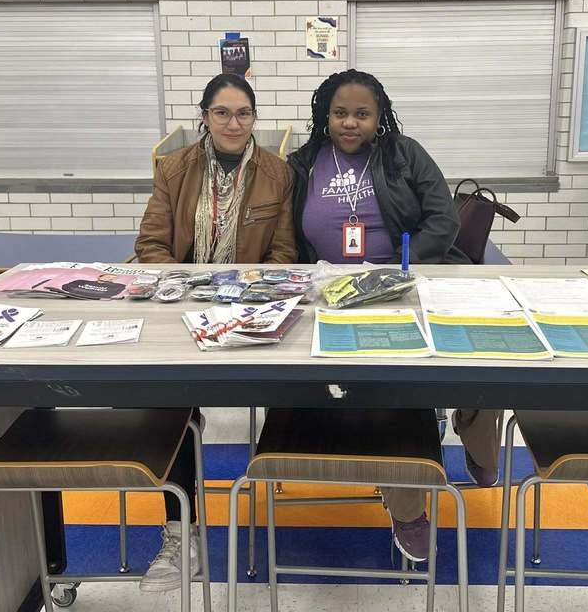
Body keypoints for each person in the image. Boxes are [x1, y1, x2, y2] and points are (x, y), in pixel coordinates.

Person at [288, 68, 501, 563]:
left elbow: (442, 219)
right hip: (332, 294)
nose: (349, 123)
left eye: (362, 114)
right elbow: (286, 230)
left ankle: (477, 439)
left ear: (378, 117)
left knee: (486, 356)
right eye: (340, 113)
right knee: (386, 387)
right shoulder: (302, 163)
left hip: (412, 281)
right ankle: (407, 507)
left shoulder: (404, 154)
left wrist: (397, 269)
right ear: (325, 114)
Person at [134, 73, 297, 592]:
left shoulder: (278, 172)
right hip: (184, 309)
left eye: (243, 113)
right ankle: (184, 531)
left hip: (250, 310)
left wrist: (249, 298)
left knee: (289, 389)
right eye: (222, 112)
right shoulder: (175, 168)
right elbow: (152, 243)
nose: (233, 123)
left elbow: (284, 253)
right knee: (167, 403)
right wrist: (184, 293)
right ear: (204, 116)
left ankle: (276, 500)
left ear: (254, 119)